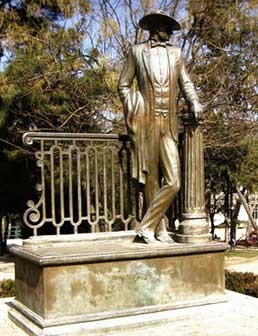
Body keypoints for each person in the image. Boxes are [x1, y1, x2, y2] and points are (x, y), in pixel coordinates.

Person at [118, 10, 203, 243]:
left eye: (170, 27)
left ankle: (146, 226)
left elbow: (185, 82)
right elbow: (123, 85)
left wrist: (194, 101)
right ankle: (159, 228)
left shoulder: (176, 54)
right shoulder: (137, 52)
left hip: (169, 124)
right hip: (147, 123)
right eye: (165, 26)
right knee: (151, 180)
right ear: (154, 27)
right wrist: (134, 104)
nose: (168, 31)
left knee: (174, 181)